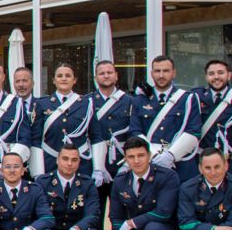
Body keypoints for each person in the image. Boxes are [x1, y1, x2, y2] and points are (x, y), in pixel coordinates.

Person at [131, 55, 200, 181]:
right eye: (157, 71)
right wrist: (154, 155)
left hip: (181, 164)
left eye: (166, 71)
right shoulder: (139, 100)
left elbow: (194, 131)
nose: (161, 75)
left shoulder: (187, 99)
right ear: (151, 74)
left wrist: (170, 156)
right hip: (151, 163)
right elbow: (135, 131)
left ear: (174, 73)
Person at [89, 58, 135, 215]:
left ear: (116, 75)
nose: (106, 76)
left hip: (122, 164)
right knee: (96, 213)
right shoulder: (87, 101)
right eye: (101, 73)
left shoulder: (130, 101)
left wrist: (128, 164)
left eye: (109, 72)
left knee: (122, 213)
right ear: (95, 78)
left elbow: (134, 133)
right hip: (96, 166)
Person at [30, 63, 92, 178]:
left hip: (79, 163)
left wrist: (98, 168)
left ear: (74, 80)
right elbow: (36, 139)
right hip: (50, 161)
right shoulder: (42, 104)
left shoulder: (86, 103)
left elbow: (96, 136)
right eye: (59, 76)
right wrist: (37, 169)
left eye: (68, 76)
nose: (64, 78)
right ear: (54, 80)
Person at [196, 60, 232, 181]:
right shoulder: (197, 95)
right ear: (206, 77)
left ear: (229, 75)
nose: (216, 77)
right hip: (206, 164)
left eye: (220, 73)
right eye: (211, 73)